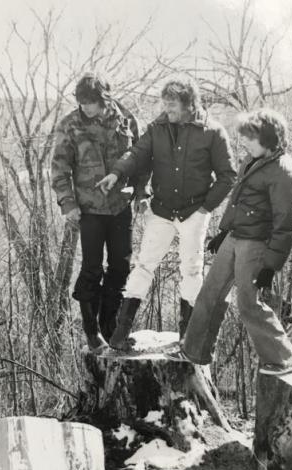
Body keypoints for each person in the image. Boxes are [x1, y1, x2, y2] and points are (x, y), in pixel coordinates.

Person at [97, 79, 236, 350]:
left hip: (195, 210)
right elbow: (136, 154)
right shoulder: (157, 128)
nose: (167, 109)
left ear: (189, 104)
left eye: (172, 104)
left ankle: (188, 336)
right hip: (161, 210)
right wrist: (116, 172)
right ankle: (121, 333)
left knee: (192, 270)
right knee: (144, 265)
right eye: (165, 103)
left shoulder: (212, 132)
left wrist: (207, 207)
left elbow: (228, 175)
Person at [181, 108, 292, 376]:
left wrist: (270, 265)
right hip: (235, 237)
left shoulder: (284, 172)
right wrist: (224, 231)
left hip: (256, 245)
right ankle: (194, 350)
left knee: (248, 304)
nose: (243, 141)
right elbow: (237, 200)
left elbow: (286, 225)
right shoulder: (251, 161)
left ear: (268, 137)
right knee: (210, 293)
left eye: (250, 137)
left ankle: (283, 357)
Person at [51, 73, 148, 353]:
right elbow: (59, 168)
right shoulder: (70, 124)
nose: (86, 108)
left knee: (120, 267)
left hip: (120, 206)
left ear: (104, 99)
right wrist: (67, 203)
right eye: (82, 103)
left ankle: (110, 328)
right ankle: (92, 333)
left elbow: (140, 161)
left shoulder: (126, 119)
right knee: (92, 269)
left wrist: (142, 193)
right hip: (89, 208)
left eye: (91, 103)